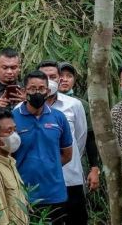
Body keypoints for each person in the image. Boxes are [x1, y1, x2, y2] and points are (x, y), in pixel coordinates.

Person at [12, 70, 72, 224]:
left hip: (55, 193)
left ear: (47, 91)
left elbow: (67, 154)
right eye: (32, 88)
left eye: (41, 88)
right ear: (25, 91)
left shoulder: (59, 118)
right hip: (23, 194)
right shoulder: (12, 118)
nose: (37, 92)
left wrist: (49, 165)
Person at [38, 61, 88, 224]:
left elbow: (80, 138)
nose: (49, 81)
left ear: (59, 79)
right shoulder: (25, 108)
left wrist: (70, 158)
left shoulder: (74, 105)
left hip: (70, 177)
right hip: (41, 179)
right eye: (44, 77)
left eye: (53, 76)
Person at [58, 61, 101, 192]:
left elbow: (88, 137)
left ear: (74, 80)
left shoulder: (81, 105)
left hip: (76, 163)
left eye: (69, 76)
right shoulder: (42, 104)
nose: (64, 79)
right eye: (61, 75)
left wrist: (94, 168)